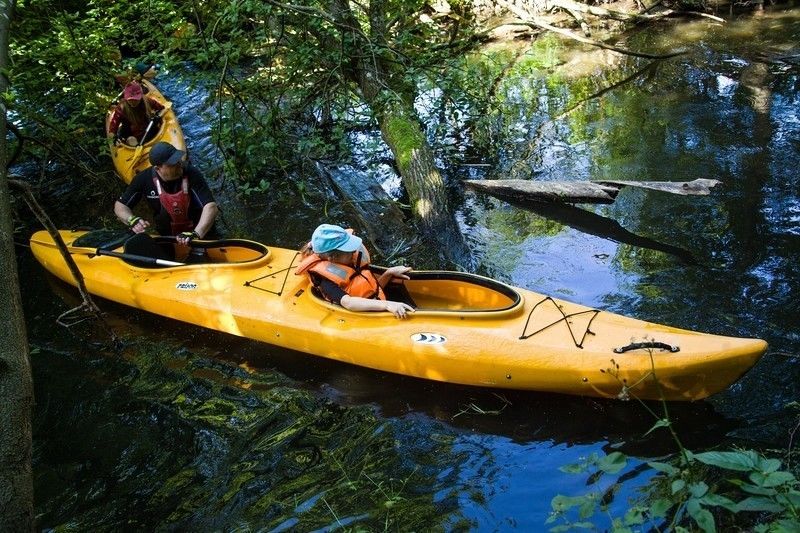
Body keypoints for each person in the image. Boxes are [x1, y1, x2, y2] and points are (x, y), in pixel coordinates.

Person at [295, 224, 415, 319]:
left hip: (376, 303)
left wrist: (388, 273)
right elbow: (349, 302)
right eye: (348, 250)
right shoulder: (324, 280)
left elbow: (371, 289)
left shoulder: (349, 261)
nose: (354, 252)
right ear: (333, 258)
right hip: (359, 317)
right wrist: (388, 304)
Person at [113, 142, 219, 249]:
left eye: (178, 159)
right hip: (168, 237)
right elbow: (120, 206)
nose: (178, 164)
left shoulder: (191, 173)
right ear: (158, 168)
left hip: (199, 232)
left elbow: (210, 207)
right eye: (172, 163)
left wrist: (196, 234)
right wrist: (132, 220)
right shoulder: (143, 179)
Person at [107, 81, 165, 146]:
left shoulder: (147, 101)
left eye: (135, 99)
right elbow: (113, 128)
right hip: (130, 133)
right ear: (126, 98)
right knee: (132, 140)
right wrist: (112, 141)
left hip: (147, 128)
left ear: (141, 96)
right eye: (130, 99)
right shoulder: (121, 108)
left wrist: (158, 117)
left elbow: (162, 108)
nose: (132, 102)